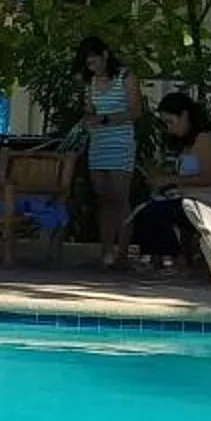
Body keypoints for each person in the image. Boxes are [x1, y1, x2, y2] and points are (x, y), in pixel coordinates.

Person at [130, 92, 211, 268]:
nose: (168, 128)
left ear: (185, 115)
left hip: (203, 201)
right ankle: (155, 256)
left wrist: (170, 180)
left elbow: (208, 178)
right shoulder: (184, 143)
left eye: (170, 122)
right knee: (142, 210)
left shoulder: (206, 138)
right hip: (182, 197)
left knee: (154, 213)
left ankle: (172, 256)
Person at [75, 36, 139, 267]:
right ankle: (106, 251)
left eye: (93, 62)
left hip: (120, 142)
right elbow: (89, 110)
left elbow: (135, 111)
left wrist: (105, 119)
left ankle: (122, 253)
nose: (91, 68)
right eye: (88, 65)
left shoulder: (126, 77)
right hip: (99, 144)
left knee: (120, 197)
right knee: (103, 198)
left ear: (105, 56)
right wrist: (88, 120)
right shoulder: (90, 82)